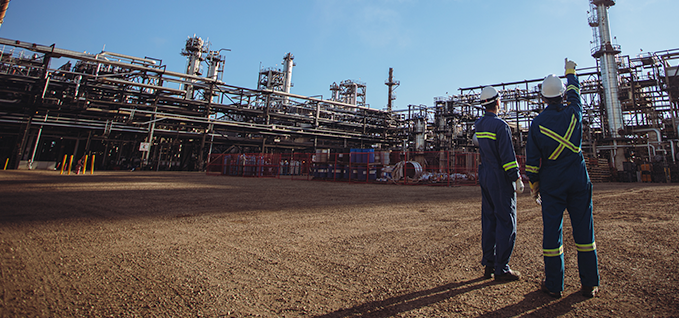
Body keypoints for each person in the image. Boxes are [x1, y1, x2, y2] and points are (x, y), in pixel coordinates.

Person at [525, 59, 600, 298]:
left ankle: (555, 285)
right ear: (562, 95)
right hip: (578, 178)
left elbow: (531, 160)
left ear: (542, 98)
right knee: (584, 233)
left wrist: (534, 184)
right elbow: (576, 94)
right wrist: (571, 72)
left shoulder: (537, 124)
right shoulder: (574, 113)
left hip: (552, 182)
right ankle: (590, 284)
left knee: (552, 234)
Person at [474, 86, 524, 281]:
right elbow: (507, 156)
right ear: (497, 102)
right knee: (506, 221)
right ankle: (502, 269)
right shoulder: (501, 126)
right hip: (500, 178)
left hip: (485, 175)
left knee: (489, 220)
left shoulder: (479, 125)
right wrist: (516, 177)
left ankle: (489, 263)